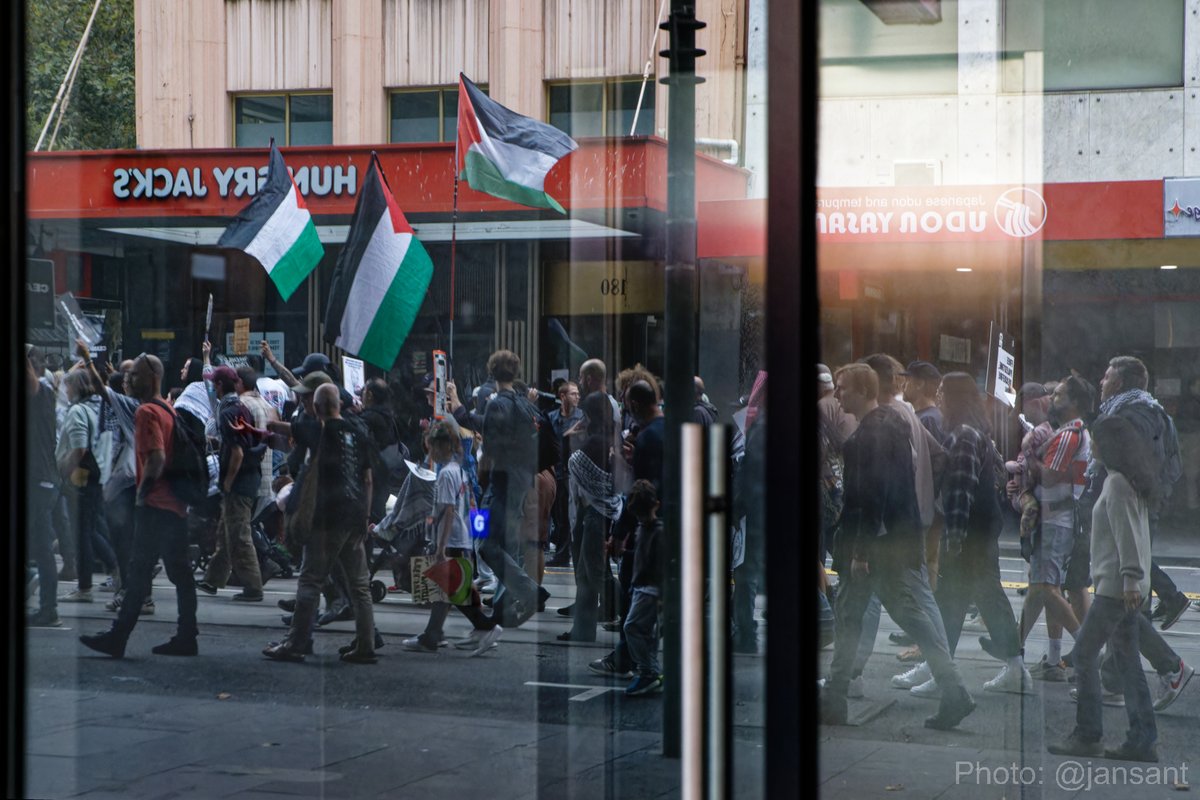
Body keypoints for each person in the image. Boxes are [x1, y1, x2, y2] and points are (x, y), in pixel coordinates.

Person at [822, 363, 974, 730]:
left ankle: (836, 698)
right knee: (896, 618)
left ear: (861, 390)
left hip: (874, 549)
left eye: (842, 388)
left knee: (853, 618)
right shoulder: (895, 424)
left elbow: (868, 499)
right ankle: (952, 692)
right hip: (896, 543)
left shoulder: (864, 439)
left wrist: (859, 552)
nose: (838, 395)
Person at [1048, 414, 1159, 762]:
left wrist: (1128, 577)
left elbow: (1126, 534)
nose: (1091, 445)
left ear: (1108, 445)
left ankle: (1088, 734)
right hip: (1124, 586)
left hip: (1116, 589)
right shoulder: (1129, 481)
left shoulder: (1117, 485)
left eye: (1095, 440)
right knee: (1127, 662)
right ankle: (1142, 739)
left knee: (1083, 654)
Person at [80, 353, 199, 658]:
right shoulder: (168, 409)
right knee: (180, 574)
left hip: (155, 506)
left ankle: (118, 638)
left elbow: (156, 458)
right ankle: (187, 635)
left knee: (137, 574)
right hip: (174, 506)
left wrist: (141, 494)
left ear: (152, 377)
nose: (129, 380)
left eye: (135, 375)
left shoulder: (147, 412)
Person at [927, 373, 1030, 694]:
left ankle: (947, 671)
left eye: (943, 391)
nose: (939, 396)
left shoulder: (964, 436)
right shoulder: (974, 433)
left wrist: (954, 539)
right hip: (981, 530)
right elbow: (997, 473)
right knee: (960, 600)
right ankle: (943, 668)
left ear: (956, 397)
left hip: (970, 534)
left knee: (969, 599)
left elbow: (960, 491)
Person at [264, 383, 378, 663]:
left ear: (316, 408)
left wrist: (270, 423)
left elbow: (284, 428)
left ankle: (296, 642)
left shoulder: (318, 430)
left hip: (326, 517)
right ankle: (366, 645)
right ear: (339, 404)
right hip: (354, 516)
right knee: (359, 585)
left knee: (310, 579)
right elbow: (367, 479)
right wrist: (365, 516)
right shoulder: (359, 432)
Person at [401, 418, 503, 656]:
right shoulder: (459, 470)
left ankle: (484, 626)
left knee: (456, 593)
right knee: (448, 592)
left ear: (442, 446)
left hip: (452, 541)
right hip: (461, 539)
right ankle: (433, 636)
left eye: (432, 447)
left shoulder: (446, 474)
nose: (431, 453)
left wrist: (440, 547)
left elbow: (447, 511)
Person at [196, 366, 266, 601]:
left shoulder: (228, 411)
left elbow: (237, 452)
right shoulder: (240, 407)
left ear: (218, 385)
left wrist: (227, 482)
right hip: (248, 477)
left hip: (240, 482)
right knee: (226, 532)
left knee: (239, 535)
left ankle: (253, 587)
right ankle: (212, 579)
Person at [563, 391, 624, 642]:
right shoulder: (608, 437)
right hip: (599, 512)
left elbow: (574, 464)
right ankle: (583, 629)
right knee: (586, 573)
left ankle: (630, 608)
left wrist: (572, 441)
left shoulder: (594, 441)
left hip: (595, 513)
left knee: (595, 572)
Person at [56, 368, 118, 603]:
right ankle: (115, 568)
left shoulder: (78, 411)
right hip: (97, 474)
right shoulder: (97, 407)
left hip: (79, 476)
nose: (66, 390)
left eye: (68, 386)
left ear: (76, 387)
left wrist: (65, 471)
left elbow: (79, 448)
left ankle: (84, 587)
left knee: (82, 532)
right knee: (89, 529)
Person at [26, 348, 63, 627]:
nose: (39, 363)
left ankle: (48, 608)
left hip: (41, 480)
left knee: (41, 545)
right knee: (38, 544)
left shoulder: (45, 390)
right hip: (38, 479)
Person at [622, 480, 665, 696]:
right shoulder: (644, 528)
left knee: (632, 627)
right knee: (646, 633)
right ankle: (652, 670)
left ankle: (648, 670)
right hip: (642, 587)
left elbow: (656, 564)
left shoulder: (657, 531)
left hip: (649, 589)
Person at [546, 380, 582, 567]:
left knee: (568, 516)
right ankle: (561, 551)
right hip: (555, 471)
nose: (577, 396)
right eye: (573, 393)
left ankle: (563, 553)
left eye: (577, 393)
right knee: (558, 515)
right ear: (562, 396)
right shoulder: (552, 417)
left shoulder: (582, 417)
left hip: (573, 472)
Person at [900, 361, 947, 446]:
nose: (902, 385)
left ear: (920, 384)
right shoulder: (929, 417)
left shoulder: (928, 420)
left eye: (907, 380)